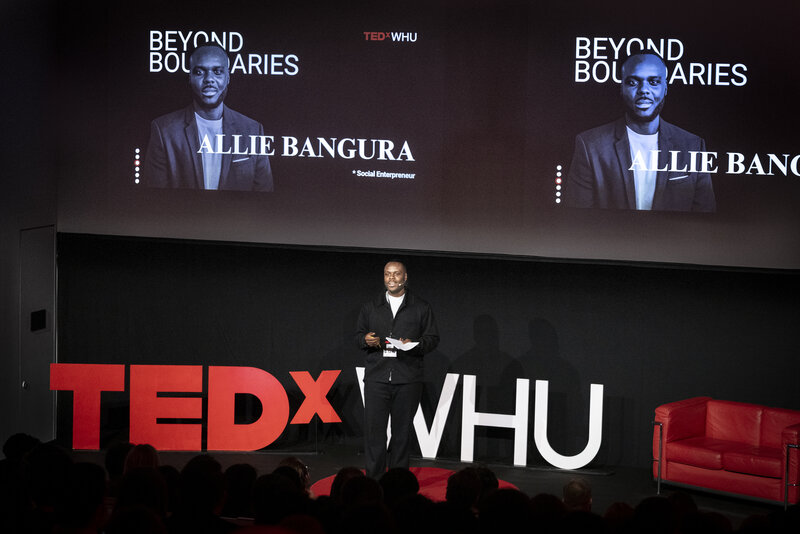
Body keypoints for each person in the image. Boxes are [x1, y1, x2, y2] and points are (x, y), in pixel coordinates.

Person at [564, 53, 715, 212]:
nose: (644, 90)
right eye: (633, 82)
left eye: (654, 82)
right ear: (621, 88)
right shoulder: (590, 146)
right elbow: (576, 221)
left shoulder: (693, 145)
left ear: (665, 88)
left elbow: (705, 219)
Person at [144, 42, 273, 191]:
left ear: (228, 77)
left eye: (217, 71)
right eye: (199, 72)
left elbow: (264, 197)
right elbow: (155, 200)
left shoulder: (252, 130)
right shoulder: (164, 130)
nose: (209, 79)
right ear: (190, 77)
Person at [356, 261, 439, 480]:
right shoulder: (371, 306)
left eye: (396, 274)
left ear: (405, 277)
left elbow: (432, 339)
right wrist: (365, 340)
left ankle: (398, 483)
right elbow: (358, 336)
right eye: (387, 274)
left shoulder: (421, 307)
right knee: (375, 434)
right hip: (377, 378)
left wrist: (414, 344)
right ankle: (373, 481)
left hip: (408, 379)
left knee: (402, 434)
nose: (391, 278)